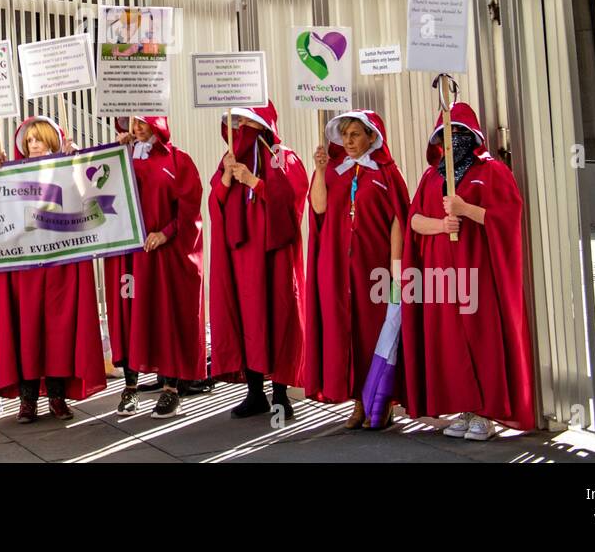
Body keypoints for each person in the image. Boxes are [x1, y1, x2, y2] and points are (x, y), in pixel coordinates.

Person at [402, 102, 536, 442]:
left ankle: (486, 412)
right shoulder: (432, 176)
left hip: (478, 272)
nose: (453, 141)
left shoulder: (492, 171)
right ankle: (464, 408)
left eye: (460, 133)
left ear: (472, 136)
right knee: (449, 343)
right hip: (440, 277)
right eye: (447, 135)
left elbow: (508, 218)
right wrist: (441, 223)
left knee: (482, 338)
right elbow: (414, 220)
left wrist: (467, 210)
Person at [0, 115, 105, 423]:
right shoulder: (11, 172)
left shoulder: (68, 165)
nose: (34, 144)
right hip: (23, 265)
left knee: (57, 331)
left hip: (59, 264)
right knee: (24, 330)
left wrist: (76, 163)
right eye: (29, 141)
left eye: (39, 138)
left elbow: (90, 202)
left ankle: (56, 396)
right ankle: (27, 401)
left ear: (52, 140)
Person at [304, 110, 409, 427]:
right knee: (344, 332)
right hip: (336, 267)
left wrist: (396, 268)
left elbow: (398, 221)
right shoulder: (334, 170)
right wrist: (320, 171)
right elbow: (318, 207)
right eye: (345, 135)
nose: (349, 142)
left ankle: (381, 399)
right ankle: (357, 403)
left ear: (372, 137)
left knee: (374, 332)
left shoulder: (386, 173)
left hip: (373, 268)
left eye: (355, 135)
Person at [207, 102, 308, 420]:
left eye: (244, 122)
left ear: (260, 125)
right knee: (245, 318)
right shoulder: (229, 158)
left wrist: (254, 182)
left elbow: (293, 203)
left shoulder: (282, 157)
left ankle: (280, 395)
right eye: (233, 122)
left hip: (273, 254)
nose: (239, 129)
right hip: (240, 256)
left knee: (277, 317)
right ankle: (254, 392)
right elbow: (214, 204)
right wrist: (225, 178)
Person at [106, 116, 204, 419]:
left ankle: (171, 391)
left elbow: (189, 207)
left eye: (141, 121)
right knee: (129, 315)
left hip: (164, 255)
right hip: (129, 256)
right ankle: (130, 388)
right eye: (130, 122)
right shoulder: (119, 157)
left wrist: (166, 233)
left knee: (167, 315)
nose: (135, 128)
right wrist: (114, 153)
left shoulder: (178, 160)